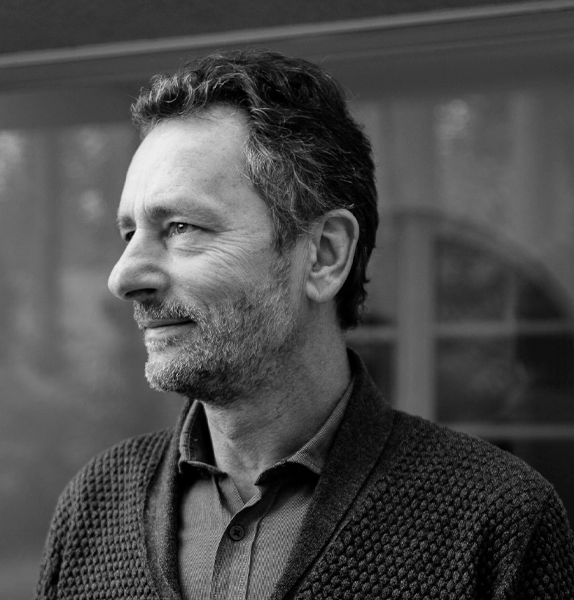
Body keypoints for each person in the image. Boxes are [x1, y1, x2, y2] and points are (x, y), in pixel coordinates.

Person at [36, 49, 574, 599]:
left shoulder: (496, 523)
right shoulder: (92, 507)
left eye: (180, 227)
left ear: (323, 255)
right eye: (130, 234)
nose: (123, 276)